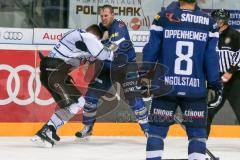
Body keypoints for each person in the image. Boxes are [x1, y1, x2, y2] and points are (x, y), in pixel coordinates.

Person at [142, 0, 222, 159]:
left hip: (165, 89)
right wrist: (214, 85)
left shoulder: (163, 17)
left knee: (156, 133)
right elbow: (211, 57)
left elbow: (151, 49)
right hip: (195, 91)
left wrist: (144, 77)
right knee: (197, 135)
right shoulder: (209, 23)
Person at [31, 24, 115, 148]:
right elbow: (104, 55)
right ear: (95, 37)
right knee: (75, 103)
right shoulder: (87, 36)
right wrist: (112, 47)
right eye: (97, 41)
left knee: (78, 102)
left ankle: (49, 129)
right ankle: (46, 131)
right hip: (54, 73)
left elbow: (87, 59)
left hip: (51, 73)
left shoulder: (79, 41)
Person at [75, 4, 149, 139]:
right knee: (91, 96)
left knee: (134, 99)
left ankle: (148, 130)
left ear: (113, 15)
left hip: (126, 67)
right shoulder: (101, 28)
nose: (103, 18)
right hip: (108, 67)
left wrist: (93, 52)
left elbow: (112, 46)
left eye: (106, 15)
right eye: (102, 16)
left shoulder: (118, 25)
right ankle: (88, 127)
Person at [207, 9, 240, 138]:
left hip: (234, 79)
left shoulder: (234, 35)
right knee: (208, 110)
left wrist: (230, 71)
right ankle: (201, 140)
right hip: (216, 80)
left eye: (220, 19)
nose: (217, 21)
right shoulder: (210, 35)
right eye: (215, 19)